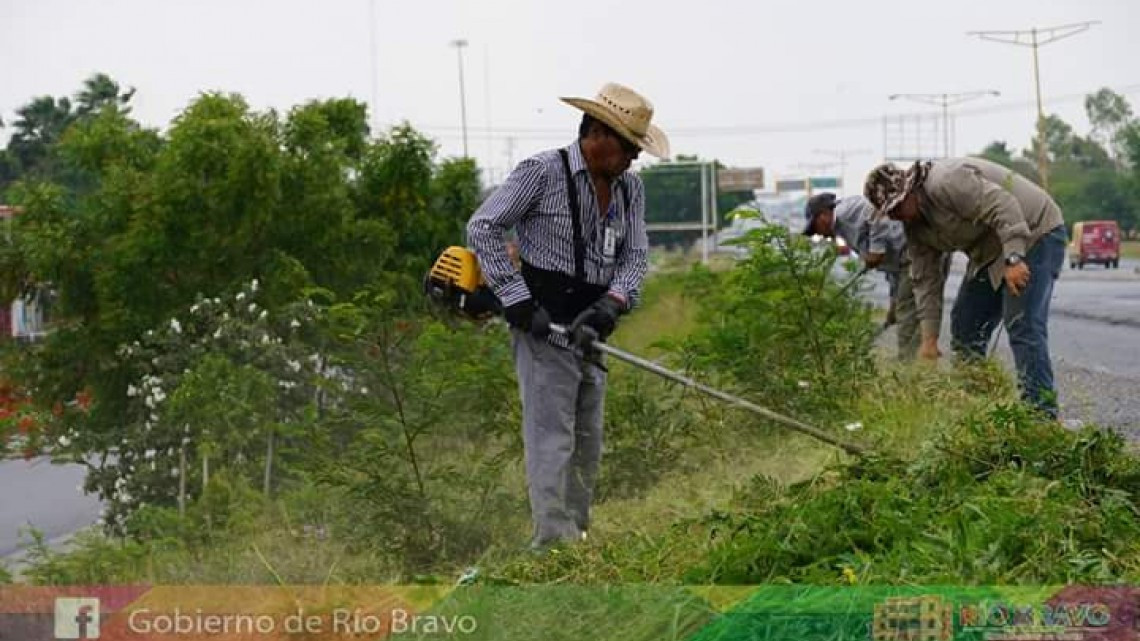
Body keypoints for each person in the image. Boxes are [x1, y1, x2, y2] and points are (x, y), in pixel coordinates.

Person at [466, 82, 668, 549]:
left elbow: (636, 256)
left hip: (589, 328)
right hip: (544, 323)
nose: (634, 157)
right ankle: (552, 544)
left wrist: (613, 303)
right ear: (596, 134)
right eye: (628, 146)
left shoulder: (630, 188)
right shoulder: (541, 172)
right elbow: (484, 227)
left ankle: (577, 534)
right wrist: (515, 297)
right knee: (552, 439)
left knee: (587, 440)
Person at [863, 157, 1067, 417]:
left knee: (1022, 323)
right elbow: (926, 280)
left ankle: (1041, 415)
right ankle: (980, 408)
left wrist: (1014, 258)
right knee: (965, 325)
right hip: (989, 251)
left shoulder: (946, 182)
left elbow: (1003, 205)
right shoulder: (914, 229)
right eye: (889, 213)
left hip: (1035, 232)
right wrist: (929, 340)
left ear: (910, 190)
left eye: (897, 207)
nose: (895, 216)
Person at [802, 192, 947, 360]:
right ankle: (919, 361)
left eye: (815, 228)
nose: (818, 234)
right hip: (905, 260)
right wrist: (893, 300)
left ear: (823, 216)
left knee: (907, 311)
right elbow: (890, 265)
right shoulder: (842, 229)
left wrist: (876, 250)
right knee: (909, 310)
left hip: (915, 251)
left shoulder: (845, 210)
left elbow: (877, 212)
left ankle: (908, 363)